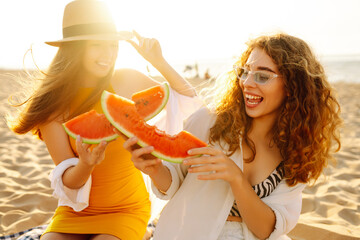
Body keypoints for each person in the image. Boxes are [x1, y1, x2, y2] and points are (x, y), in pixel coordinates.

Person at [7, 0, 200, 239]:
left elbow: (190, 102)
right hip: (74, 213)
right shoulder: (52, 107)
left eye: (112, 46)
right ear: (76, 49)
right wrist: (86, 165)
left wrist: (158, 62)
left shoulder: (124, 80)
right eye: (97, 45)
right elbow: (69, 182)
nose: (108, 54)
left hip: (126, 210)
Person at [124, 33, 342, 240]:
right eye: (245, 72)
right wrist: (155, 170)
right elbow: (175, 183)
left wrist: (236, 179)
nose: (247, 82)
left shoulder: (296, 149)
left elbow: (267, 228)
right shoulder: (210, 122)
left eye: (262, 76)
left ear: (292, 86)